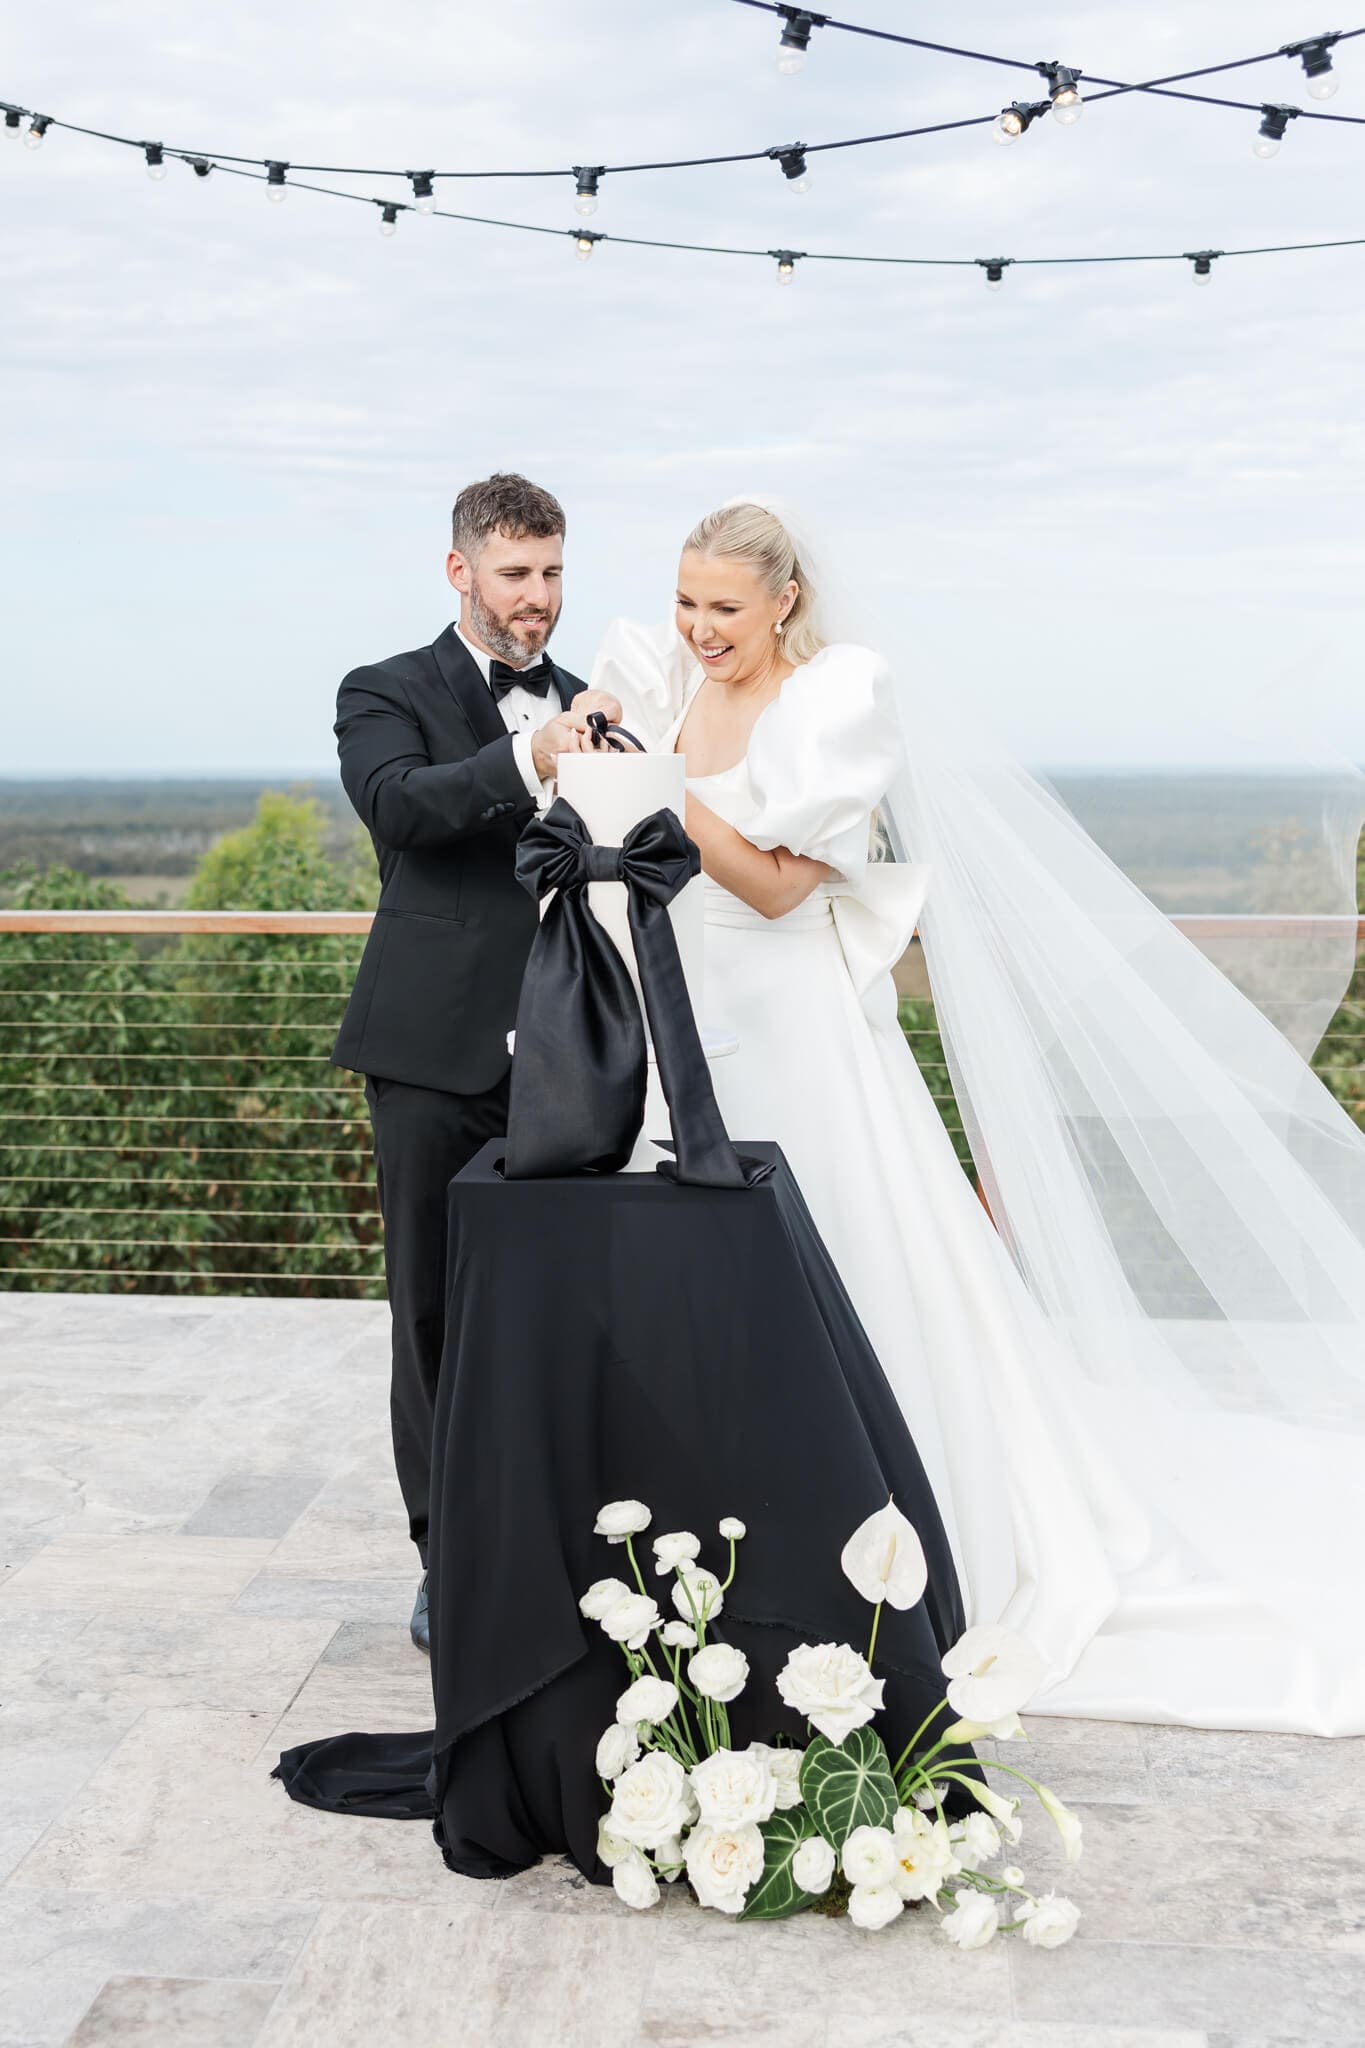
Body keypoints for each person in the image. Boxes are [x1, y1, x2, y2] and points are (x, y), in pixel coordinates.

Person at [590, 497, 1365, 1737]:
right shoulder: (672, 673)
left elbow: (786, 893)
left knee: (852, 1257)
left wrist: (661, 798)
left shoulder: (834, 697)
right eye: (687, 601)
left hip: (790, 1019)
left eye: (724, 607)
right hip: (684, 1014)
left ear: (784, 599)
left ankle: (901, 1529)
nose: (699, 627)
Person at [333, 473, 620, 1649]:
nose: (539, 597)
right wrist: (528, 759)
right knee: (435, 1316)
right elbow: (399, 808)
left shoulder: (594, 697)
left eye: (552, 572)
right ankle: (445, 1558)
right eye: (516, 573)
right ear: (461, 571)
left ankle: (566, 1540)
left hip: (571, 1053)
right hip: (431, 1056)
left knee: (568, 1311)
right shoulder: (383, 689)